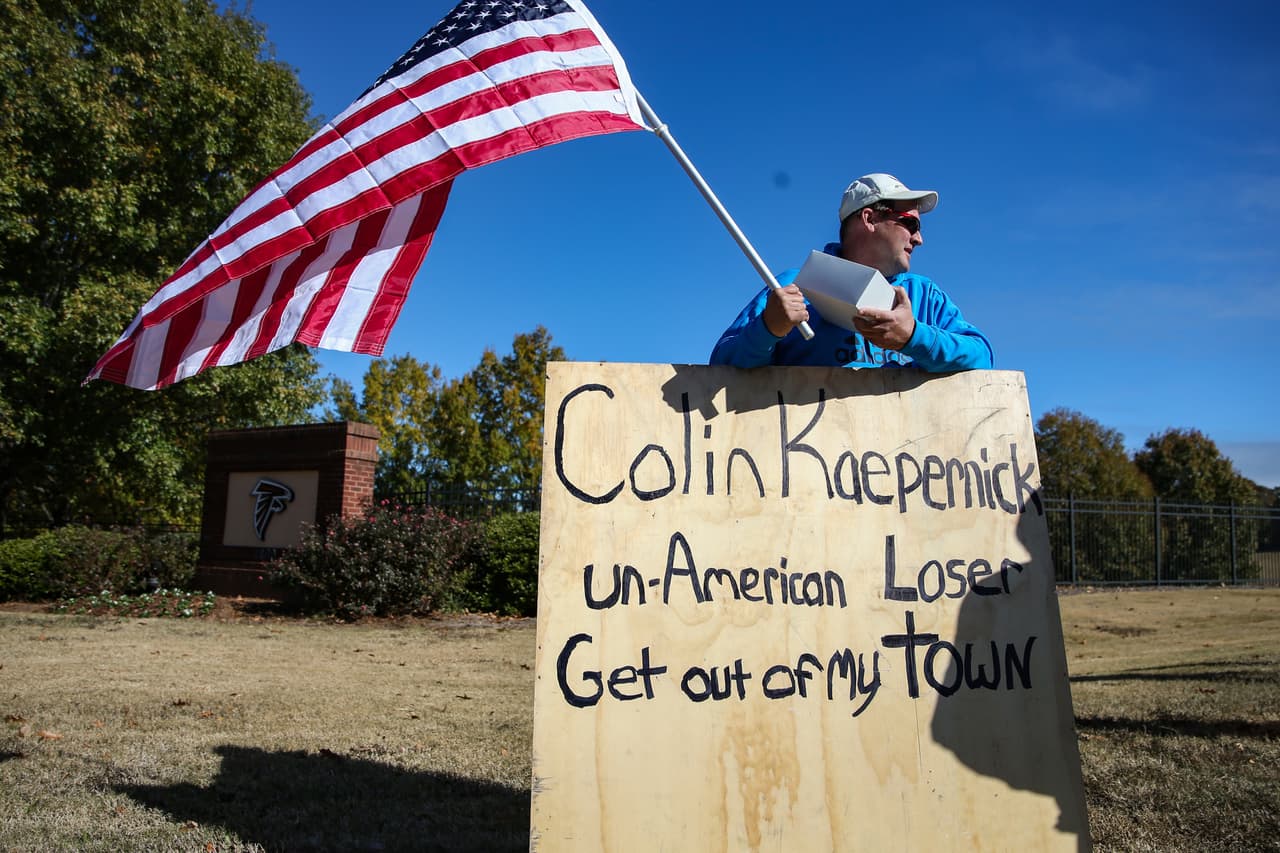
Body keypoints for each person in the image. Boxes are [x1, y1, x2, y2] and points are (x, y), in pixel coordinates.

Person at [709, 173, 992, 372]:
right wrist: (768, 329)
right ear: (869, 219)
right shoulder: (792, 287)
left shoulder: (926, 296)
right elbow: (721, 366)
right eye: (911, 225)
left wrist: (914, 336)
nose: (919, 240)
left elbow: (981, 357)